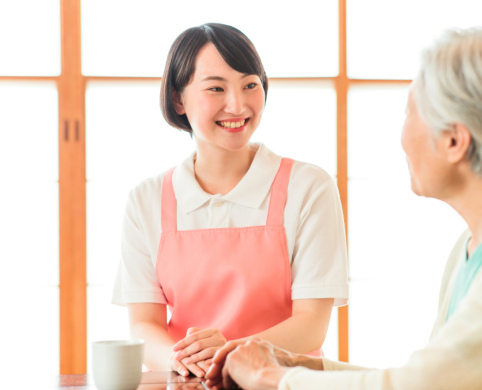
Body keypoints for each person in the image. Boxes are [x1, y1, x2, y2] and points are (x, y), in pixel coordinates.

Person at [204, 26, 482, 390]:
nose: (402, 140)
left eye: (410, 113)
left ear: (454, 141)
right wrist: (300, 364)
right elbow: (430, 376)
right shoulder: (475, 244)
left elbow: (419, 387)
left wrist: (269, 377)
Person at [111, 23, 348, 378]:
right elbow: (144, 324)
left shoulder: (310, 187)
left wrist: (228, 354)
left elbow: (312, 324)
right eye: (216, 88)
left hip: (282, 381)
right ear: (178, 99)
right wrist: (181, 362)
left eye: (250, 85)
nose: (237, 105)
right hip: (188, 382)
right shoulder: (145, 200)